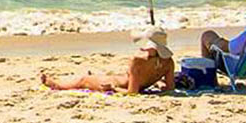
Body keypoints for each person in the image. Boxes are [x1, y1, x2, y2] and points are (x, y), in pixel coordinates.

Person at [41, 27, 175, 94]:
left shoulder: (138, 60)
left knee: (83, 80)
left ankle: (56, 85)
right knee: (95, 76)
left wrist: (114, 88)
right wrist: (156, 83)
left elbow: (132, 93)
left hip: (117, 84)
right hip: (126, 81)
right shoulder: (168, 62)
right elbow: (169, 89)